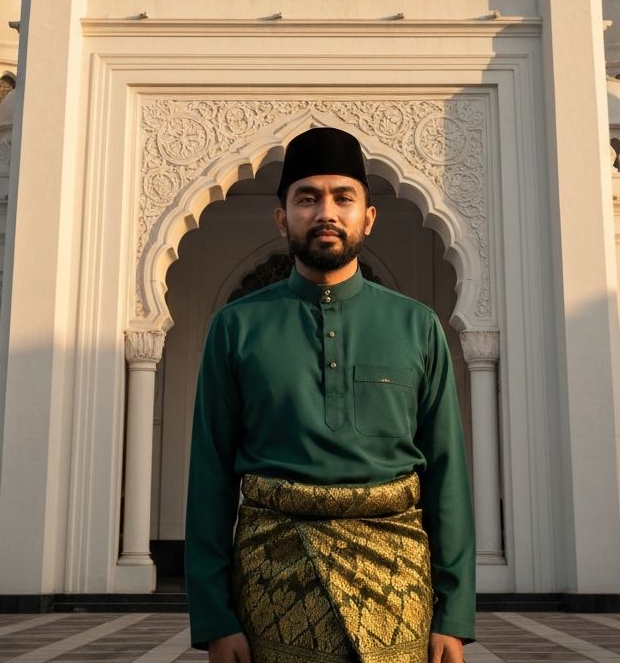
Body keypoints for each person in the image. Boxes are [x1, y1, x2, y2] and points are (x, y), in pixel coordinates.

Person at [186, 126, 475, 662]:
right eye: (307, 198)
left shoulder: (417, 327)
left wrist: (453, 615)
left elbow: (446, 473)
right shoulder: (237, 327)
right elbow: (210, 476)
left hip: (399, 583)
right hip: (273, 576)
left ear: (368, 217)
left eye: (344, 197)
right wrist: (215, 618)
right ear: (282, 218)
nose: (326, 212)